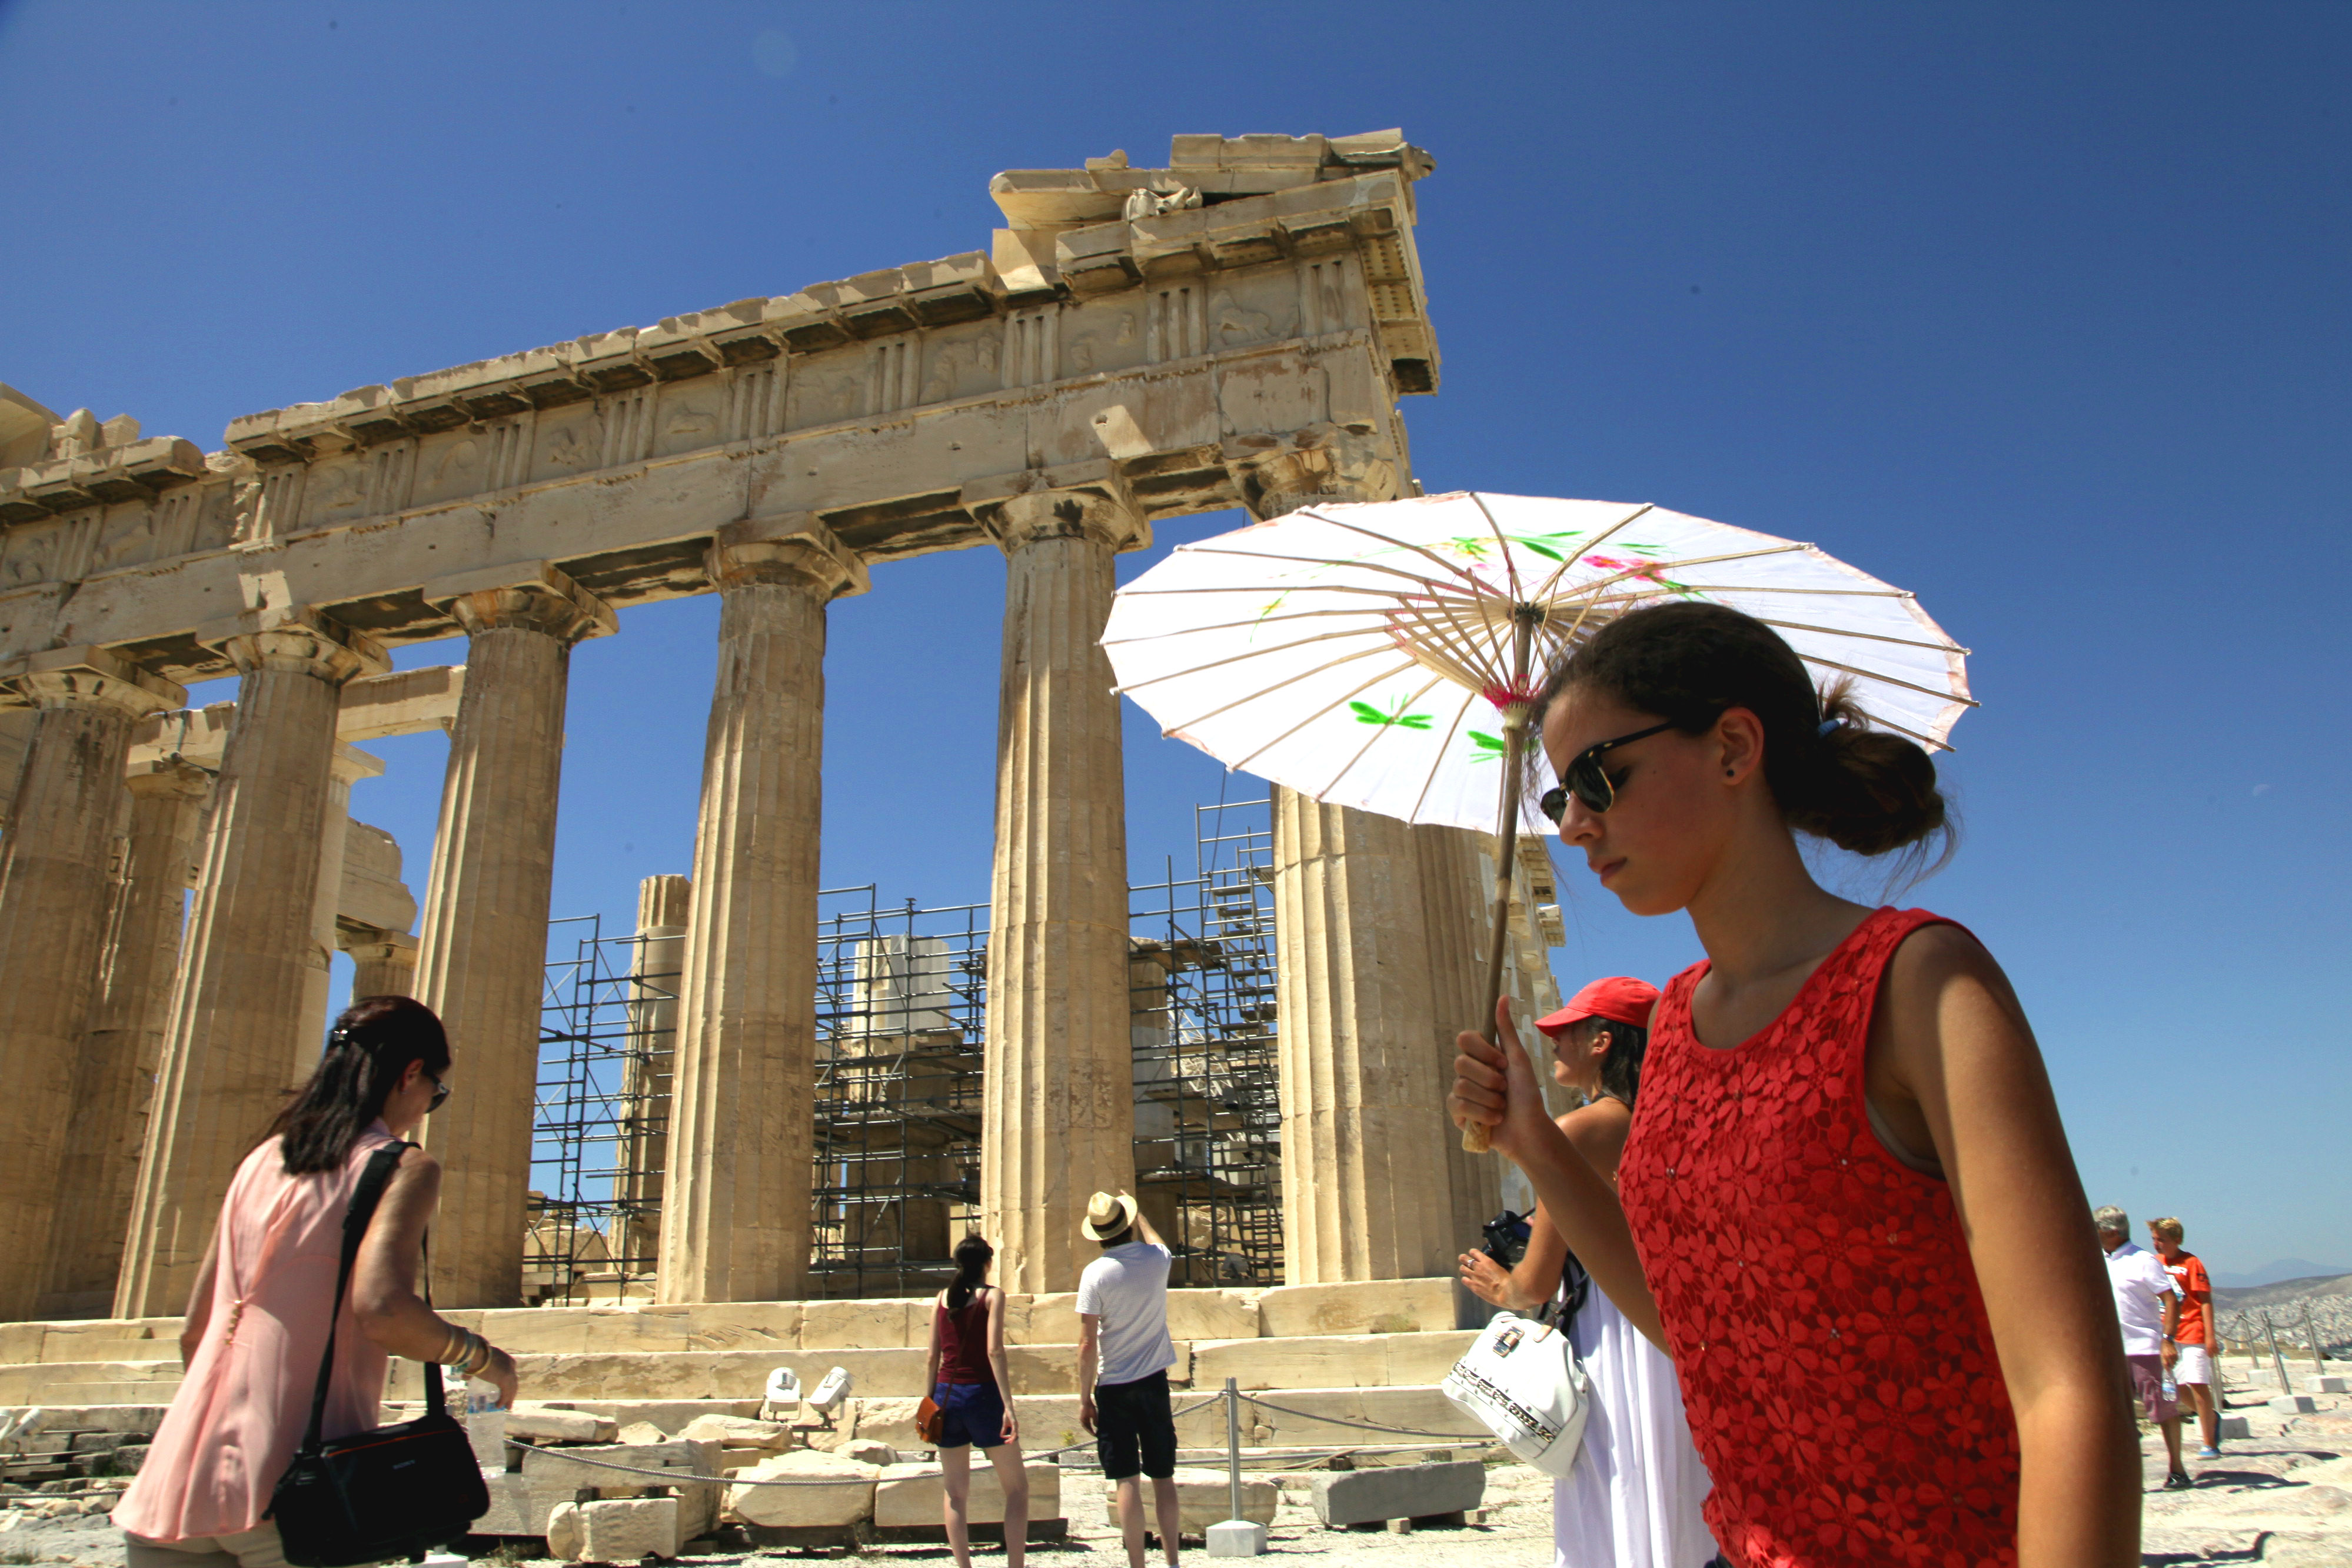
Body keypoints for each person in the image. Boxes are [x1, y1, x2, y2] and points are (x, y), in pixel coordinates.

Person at [1448, 600, 2140, 1568]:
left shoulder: (1919, 984)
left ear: (1733, 748)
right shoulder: (1676, 1025)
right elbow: (1698, 1329)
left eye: (1598, 778)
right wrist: (1532, 1141)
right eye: (1560, 795)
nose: (1572, 826)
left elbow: (2069, 1392)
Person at [113, 996, 519, 1568]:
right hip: (303, 1492)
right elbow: (383, 1310)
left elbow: (196, 1332)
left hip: (172, 1484)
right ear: (411, 1073)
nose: (429, 1105)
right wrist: (482, 1358)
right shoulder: (399, 1164)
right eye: (437, 1090)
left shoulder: (259, 1161)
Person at [1458, 975, 1716, 1568]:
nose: (1553, 1041)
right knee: (1683, 1492)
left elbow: (1535, 1282)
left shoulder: (1576, 1131)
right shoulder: (1675, 1123)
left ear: (1602, 1042)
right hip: (1674, 1331)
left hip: (1617, 1339)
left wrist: (1499, 1283)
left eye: (1566, 1031)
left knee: (1621, 1493)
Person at [1075, 1191, 1180, 1568]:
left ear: (1099, 1235)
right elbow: (1160, 1244)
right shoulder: (1156, 1260)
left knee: (1126, 1480)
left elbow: (1087, 1343)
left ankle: (1137, 1563)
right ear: (1128, 1223)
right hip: (1153, 1381)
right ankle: (1172, 1562)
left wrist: (1084, 1398)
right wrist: (1141, 1215)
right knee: (1163, 1477)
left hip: (1115, 1385)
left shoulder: (1095, 1274)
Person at [925, 1233, 1030, 1568]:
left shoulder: (941, 1298)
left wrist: (929, 1403)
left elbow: (932, 1356)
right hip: (983, 1394)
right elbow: (994, 1350)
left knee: (955, 1493)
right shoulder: (992, 1296)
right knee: (1017, 1490)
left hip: (946, 1396)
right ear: (988, 1262)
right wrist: (1008, 1406)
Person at [2096, 1206, 2188, 1489]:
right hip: (2112, 1350)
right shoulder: (2099, 1260)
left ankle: (2177, 1468)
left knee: (2163, 1409)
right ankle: (2126, 1474)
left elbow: (2170, 1299)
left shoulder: (2143, 1260)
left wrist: (2167, 1340)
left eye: (2097, 1227)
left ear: (2112, 1231)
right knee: (2116, 1413)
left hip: (2145, 1348)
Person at [2148, 1217, 2221, 1458]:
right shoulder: (2154, 1262)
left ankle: (2209, 1443)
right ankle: (2210, 1416)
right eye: (2154, 1239)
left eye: (2162, 1240)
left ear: (2177, 1240)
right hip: (2168, 1333)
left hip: (2193, 1329)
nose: (2157, 1244)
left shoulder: (2192, 1263)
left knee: (2198, 1383)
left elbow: (2205, 1300)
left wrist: (2210, 1335)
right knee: (2176, 1387)